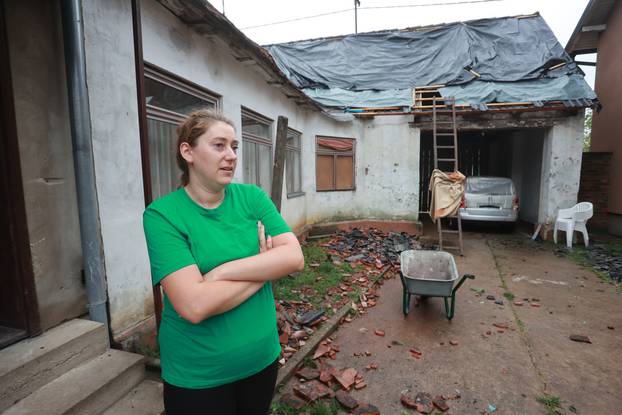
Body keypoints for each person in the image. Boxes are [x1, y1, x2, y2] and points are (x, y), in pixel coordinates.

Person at [143, 109, 304, 414]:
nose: (231, 155)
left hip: (262, 362)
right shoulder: (163, 216)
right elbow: (194, 305)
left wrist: (219, 274)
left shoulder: (252, 198)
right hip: (199, 377)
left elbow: (294, 257)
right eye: (219, 145)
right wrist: (265, 265)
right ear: (187, 152)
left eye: (234, 147)